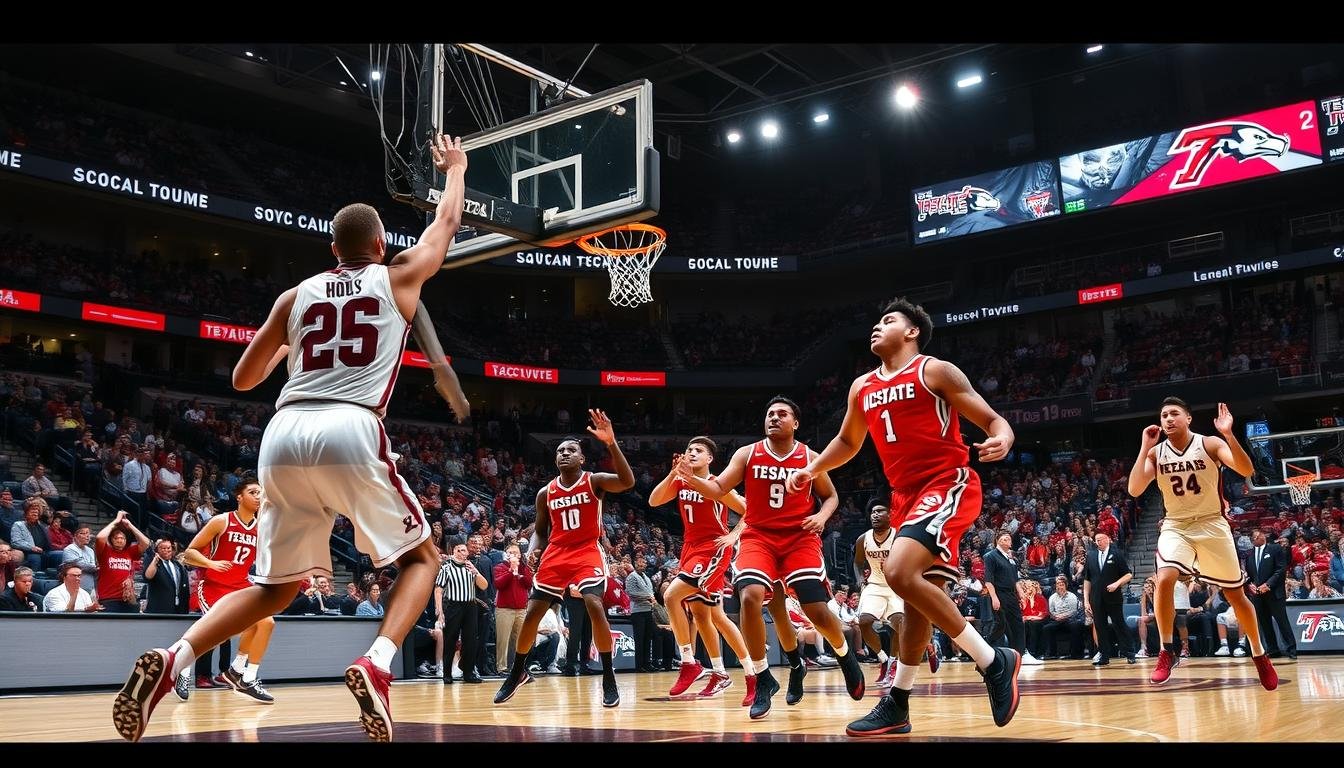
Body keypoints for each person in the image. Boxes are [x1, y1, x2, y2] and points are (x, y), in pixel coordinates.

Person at [112, 133, 471, 743]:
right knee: (422, 558)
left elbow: (243, 376)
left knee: (272, 589)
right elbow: (447, 220)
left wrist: (295, 340)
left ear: (331, 248)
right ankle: (377, 665)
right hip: (351, 423)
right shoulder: (400, 274)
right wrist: (456, 167)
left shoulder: (294, 294)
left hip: (283, 431)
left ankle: (175, 656)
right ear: (381, 245)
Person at [789, 298, 1021, 736]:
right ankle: (898, 702)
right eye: (876, 321)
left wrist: (1004, 437)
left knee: (896, 571)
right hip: (905, 499)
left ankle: (993, 660)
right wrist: (812, 468)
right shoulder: (862, 386)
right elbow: (848, 441)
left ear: (912, 332)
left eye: (888, 321)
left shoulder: (935, 371)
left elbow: (992, 419)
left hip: (947, 484)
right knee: (918, 603)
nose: (877, 327)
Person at [677, 396, 865, 720]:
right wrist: (691, 479)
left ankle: (845, 656)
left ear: (796, 423)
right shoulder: (747, 454)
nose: (773, 418)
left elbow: (831, 495)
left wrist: (822, 516)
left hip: (799, 538)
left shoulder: (809, 456)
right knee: (750, 596)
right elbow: (720, 486)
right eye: (769, 414)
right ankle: (763, 677)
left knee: (816, 611)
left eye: (782, 414)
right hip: (759, 536)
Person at [1127, 399, 1279, 688]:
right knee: (1165, 578)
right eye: (1163, 415)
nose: (1168, 418)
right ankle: (1166, 650)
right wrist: (1145, 446)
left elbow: (1246, 469)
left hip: (1211, 524)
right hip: (1176, 524)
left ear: (1187, 418)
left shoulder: (1208, 444)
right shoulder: (1157, 453)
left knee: (1236, 596)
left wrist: (1229, 435)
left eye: (1174, 414)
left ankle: (1259, 655)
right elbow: (1134, 488)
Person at [493, 410, 635, 709]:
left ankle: (608, 676)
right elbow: (541, 532)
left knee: (594, 603)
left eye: (571, 450)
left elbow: (627, 481)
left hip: (585, 550)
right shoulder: (546, 493)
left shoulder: (594, 481)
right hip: (556, 553)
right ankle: (518, 671)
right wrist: (533, 548)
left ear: (582, 458)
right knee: (532, 614)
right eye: (560, 451)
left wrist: (611, 443)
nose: (564, 454)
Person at [647, 436, 755, 702]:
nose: (691, 453)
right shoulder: (682, 481)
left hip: (713, 548)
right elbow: (653, 501)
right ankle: (741, 674)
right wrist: (674, 473)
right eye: (688, 450)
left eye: (698, 451)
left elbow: (749, 511)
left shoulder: (718, 484)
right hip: (690, 548)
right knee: (709, 616)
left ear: (710, 459)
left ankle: (688, 661)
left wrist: (734, 535)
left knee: (672, 595)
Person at [174, 476, 274, 705]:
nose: (258, 496)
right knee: (214, 634)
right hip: (214, 586)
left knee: (266, 622)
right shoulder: (221, 521)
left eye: (261, 493)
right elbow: (189, 553)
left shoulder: (262, 528)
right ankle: (182, 668)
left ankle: (243, 674)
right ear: (239, 497)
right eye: (253, 492)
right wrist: (211, 563)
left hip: (240, 585)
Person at [853, 502, 938, 688]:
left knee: (900, 623)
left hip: (896, 585)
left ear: (890, 515)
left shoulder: (900, 536)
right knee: (864, 622)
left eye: (879, 511)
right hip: (874, 584)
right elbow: (858, 562)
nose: (875, 515)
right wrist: (860, 579)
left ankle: (894, 664)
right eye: (873, 512)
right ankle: (885, 660)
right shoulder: (863, 539)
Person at [1243, 527, 1297, 663]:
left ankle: (1292, 649)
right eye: (1254, 538)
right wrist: (1250, 584)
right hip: (1258, 595)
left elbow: (1280, 569)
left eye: (1258, 536)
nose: (1256, 538)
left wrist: (1268, 585)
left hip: (1274, 593)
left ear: (1263, 537)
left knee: (1282, 621)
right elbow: (1249, 575)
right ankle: (1273, 650)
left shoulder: (1275, 549)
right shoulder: (1249, 555)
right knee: (1265, 623)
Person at [1083, 531, 1136, 667]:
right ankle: (1104, 656)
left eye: (1100, 539)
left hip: (1113, 597)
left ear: (1108, 540)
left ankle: (1129, 653)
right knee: (1100, 627)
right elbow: (1087, 580)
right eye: (1096, 540)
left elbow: (1128, 574)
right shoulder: (1091, 556)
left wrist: (1117, 583)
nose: (1098, 542)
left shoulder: (1116, 554)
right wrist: (1086, 600)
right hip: (1096, 598)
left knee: (1119, 624)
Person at [95, 512, 151, 614]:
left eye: (122, 538)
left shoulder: (129, 551)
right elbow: (100, 537)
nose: (120, 540)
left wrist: (130, 525)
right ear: (111, 540)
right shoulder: (104, 551)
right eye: (116, 538)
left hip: (128, 598)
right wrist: (116, 521)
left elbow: (146, 543)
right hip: (109, 599)